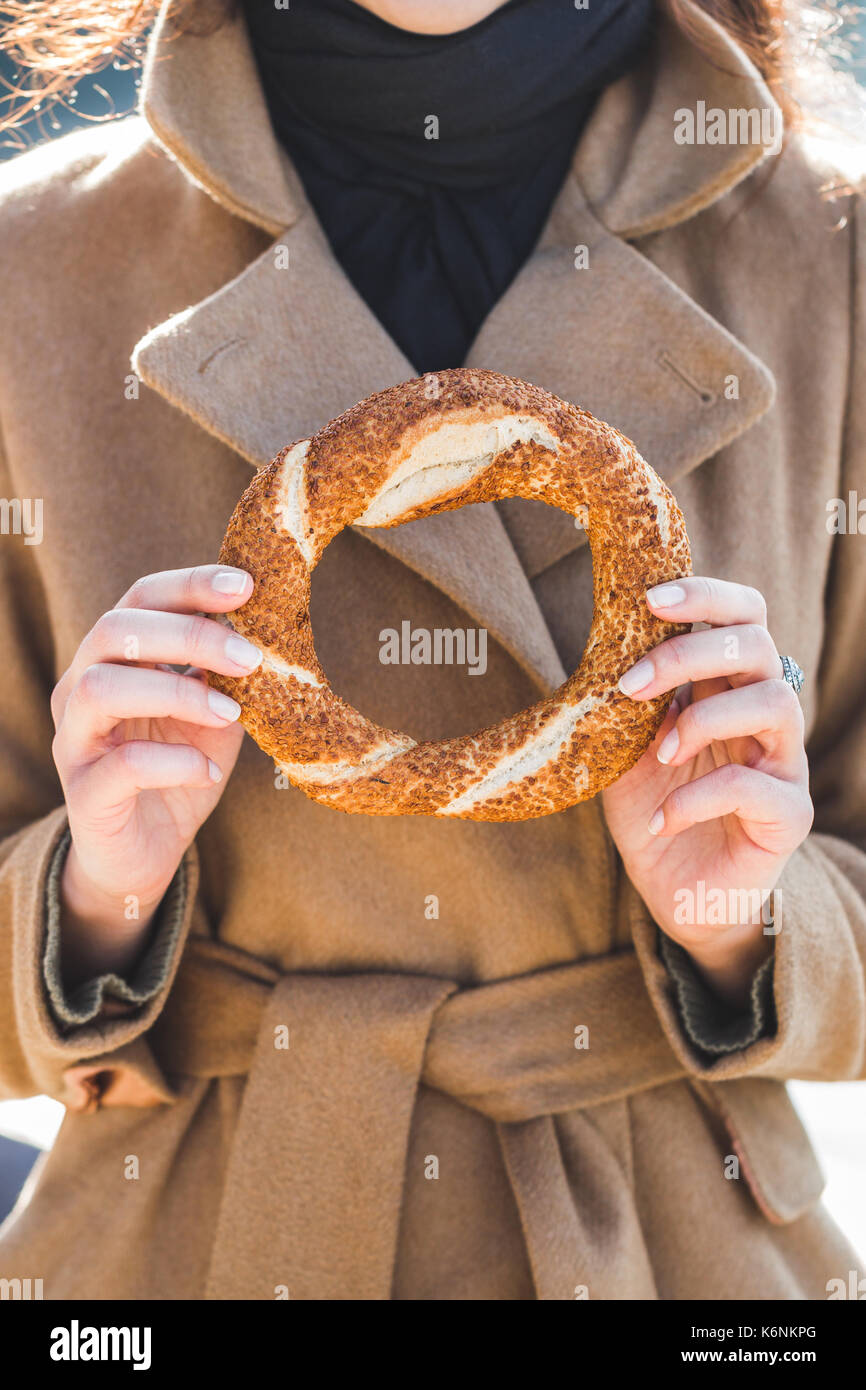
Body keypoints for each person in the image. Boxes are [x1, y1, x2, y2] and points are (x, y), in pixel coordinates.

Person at [0, 0, 863, 1300]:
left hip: (676, 1251)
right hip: (186, 1247)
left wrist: (743, 924)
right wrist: (96, 897)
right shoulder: (35, 263)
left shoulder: (832, 257)